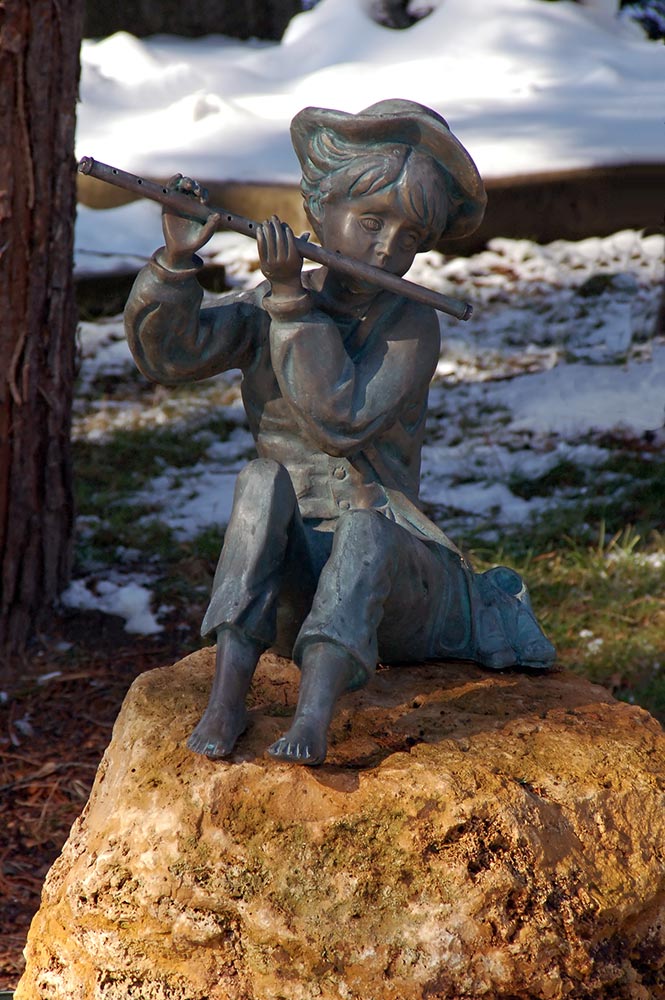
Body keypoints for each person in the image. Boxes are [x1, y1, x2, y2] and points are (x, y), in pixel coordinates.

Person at [124, 99, 555, 767]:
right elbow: (169, 356)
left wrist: (292, 302)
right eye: (371, 221)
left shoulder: (410, 325)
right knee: (261, 480)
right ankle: (227, 692)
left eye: (409, 236)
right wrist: (177, 265)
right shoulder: (268, 303)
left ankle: (315, 712)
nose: (386, 248)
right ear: (316, 211)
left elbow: (340, 419)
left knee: (364, 519)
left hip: (392, 585)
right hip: (293, 586)